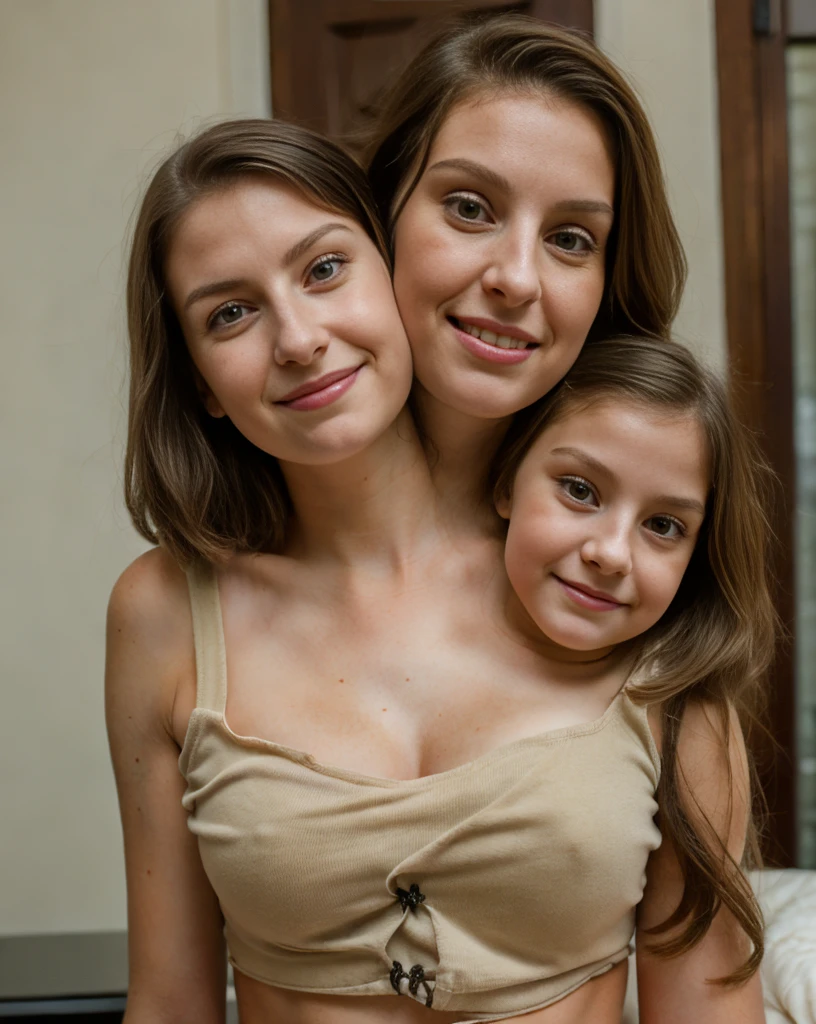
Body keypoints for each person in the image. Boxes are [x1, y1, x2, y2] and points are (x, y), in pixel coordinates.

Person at [490, 335, 774, 1020]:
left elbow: (707, 999)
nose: (611, 553)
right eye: (580, 491)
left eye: (663, 526)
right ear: (504, 481)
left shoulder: (679, 711)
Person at [363, 15, 687, 523]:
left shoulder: (632, 570)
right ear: (384, 211)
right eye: (469, 208)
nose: (516, 280)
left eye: (568, 240)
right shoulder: (208, 567)